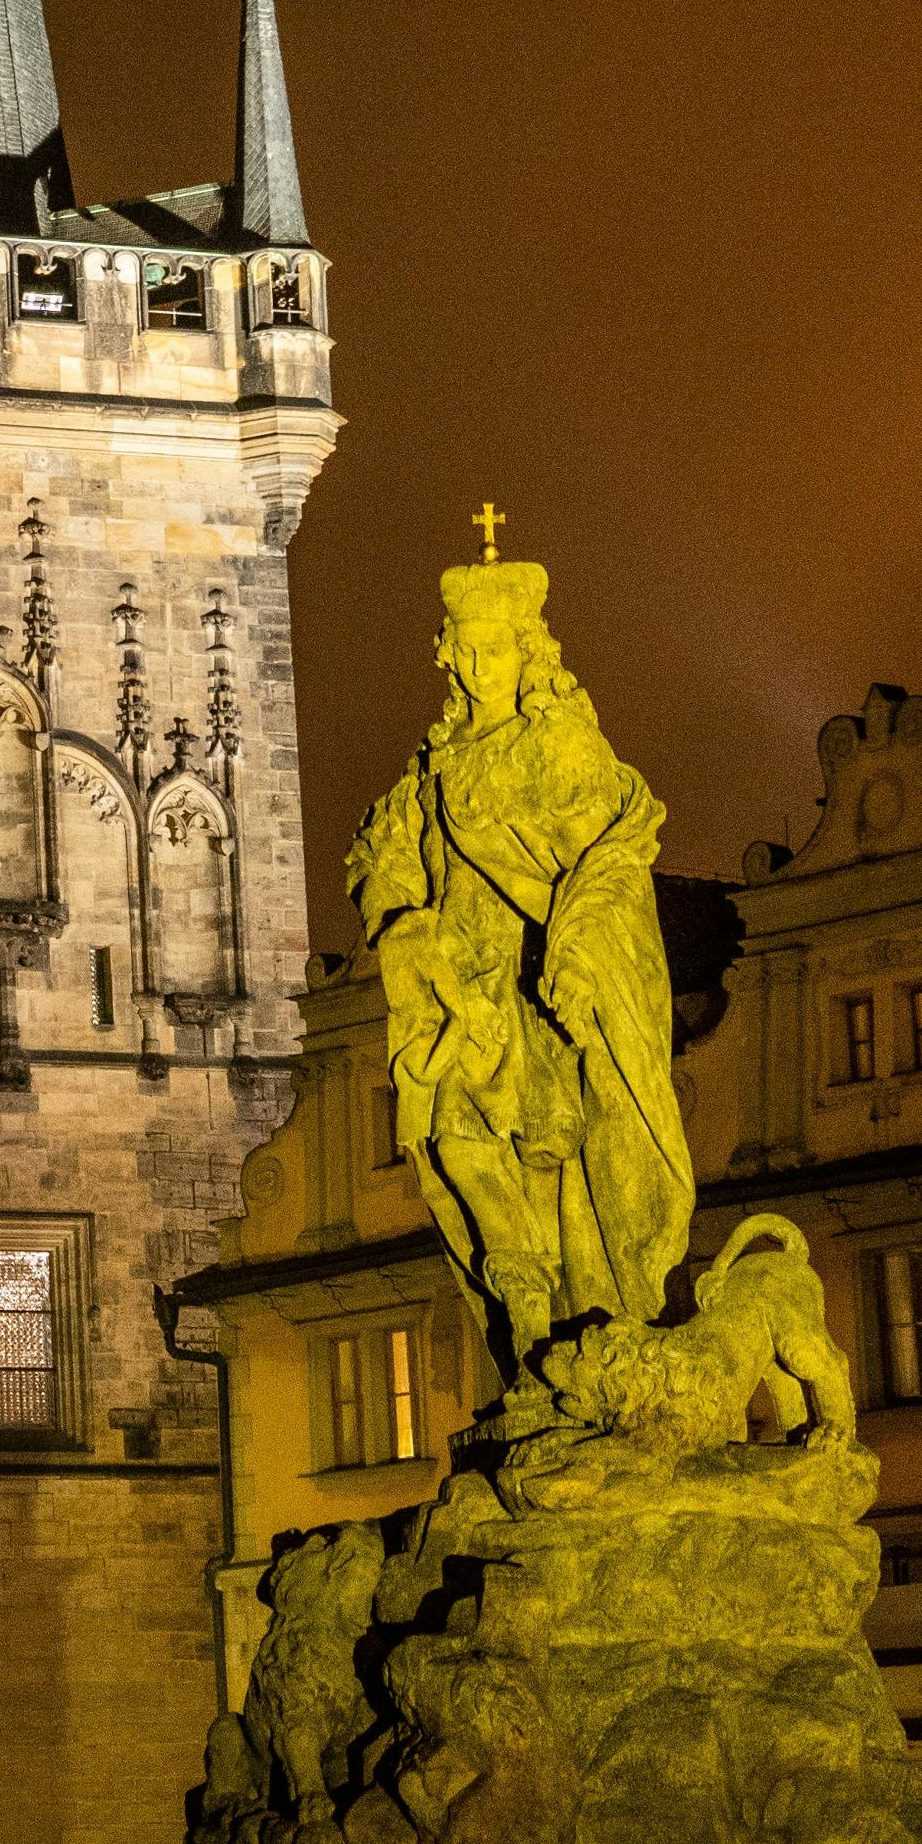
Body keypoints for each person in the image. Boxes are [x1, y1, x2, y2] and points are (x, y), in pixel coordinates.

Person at [343, 551, 693, 1375]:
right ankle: (529, 1332)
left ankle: (579, 1340)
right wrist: (398, 919)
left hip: (539, 987)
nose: (473, 665)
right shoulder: (427, 771)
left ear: (527, 651)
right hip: (457, 990)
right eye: (461, 649)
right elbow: (377, 855)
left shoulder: (560, 748)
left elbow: (610, 860)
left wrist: (575, 951)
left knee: (554, 1167)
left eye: (491, 649)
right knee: (458, 1148)